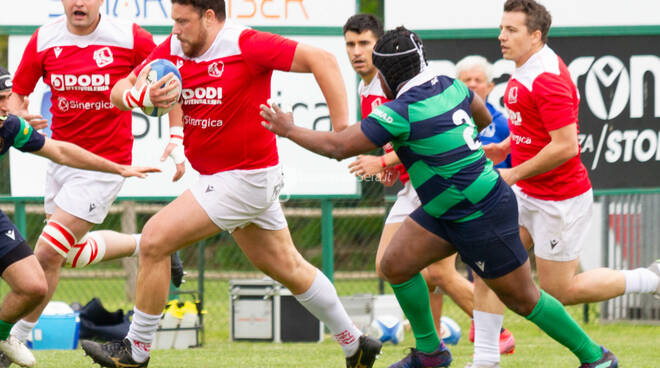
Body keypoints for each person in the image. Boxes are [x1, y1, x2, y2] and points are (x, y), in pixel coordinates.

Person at [260, 26, 620, 368]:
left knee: (524, 297)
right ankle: (431, 353)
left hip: (481, 212)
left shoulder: (399, 111)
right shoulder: (450, 86)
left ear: (387, 76)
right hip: (446, 208)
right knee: (396, 264)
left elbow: (339, 147)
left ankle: (596, 356)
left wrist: (289, 129)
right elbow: (479, 116)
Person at [80, 1, 382, 368]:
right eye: (173, 21)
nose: (174, 30)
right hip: (224, 179)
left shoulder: (245, 43)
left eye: (182, 21)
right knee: (288, 266)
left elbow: (325, 61)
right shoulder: (176, 47)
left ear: (209, 17)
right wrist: (138, 96)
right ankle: (355, 344)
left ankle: (135, 352)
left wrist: (341, 131)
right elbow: (118, 89)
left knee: (156, 237)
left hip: (245, 179)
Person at [473, 1, 660, 367]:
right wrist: (505, 148)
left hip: (559, 200)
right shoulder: (524, 68)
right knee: (488, 264)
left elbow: (566, 145)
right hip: (526, 193)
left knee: (562, 290)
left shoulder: (547, 78)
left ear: (535, 35)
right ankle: (485, 360)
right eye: (502, 28)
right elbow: (537, 130)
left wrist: (513, 172)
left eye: (511, 30)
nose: (501, 36)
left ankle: (649, 279)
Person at [6, 0, 185, 356]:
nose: (79, 2)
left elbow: (171, 78)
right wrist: (22, 117)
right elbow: (16, 99)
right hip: (60, 160)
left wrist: (177, 135)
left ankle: (13, 341)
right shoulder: (44, 40)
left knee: (45, 255)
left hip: (104, 165)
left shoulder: (129, 37)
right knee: (69, 255)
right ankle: (147, 243)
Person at [342, 14, 515, 355]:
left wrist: (383, 160)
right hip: (414, 186)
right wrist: (392, 161)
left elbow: (422, 129)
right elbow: (401, 138)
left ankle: (492, 332)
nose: (357, 51)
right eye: (350, 44)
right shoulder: (367, 87)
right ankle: (434, 340)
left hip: (435, 185)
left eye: (365, 44)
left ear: (381, 50)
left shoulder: (390, 83)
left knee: (428, 271)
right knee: (415, 270)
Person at [0, 66, 157, 368]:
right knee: (58, 253)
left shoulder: (9, 126)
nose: (7, 106)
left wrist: (118, 168)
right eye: (1, 99)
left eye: (9, 97)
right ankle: (146, 242)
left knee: (35, 285)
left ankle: (4, 337)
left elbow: (59, 151)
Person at [454, 55, 517, 358]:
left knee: (485, 273)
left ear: (491, 86)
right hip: (453, 204)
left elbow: (515, 166)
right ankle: (442, 336)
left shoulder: (502, 123)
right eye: (466, 79)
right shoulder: (448, 121)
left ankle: (489, 335)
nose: (472, 84)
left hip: (491, 206)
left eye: (478, 79)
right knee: (434, 273)